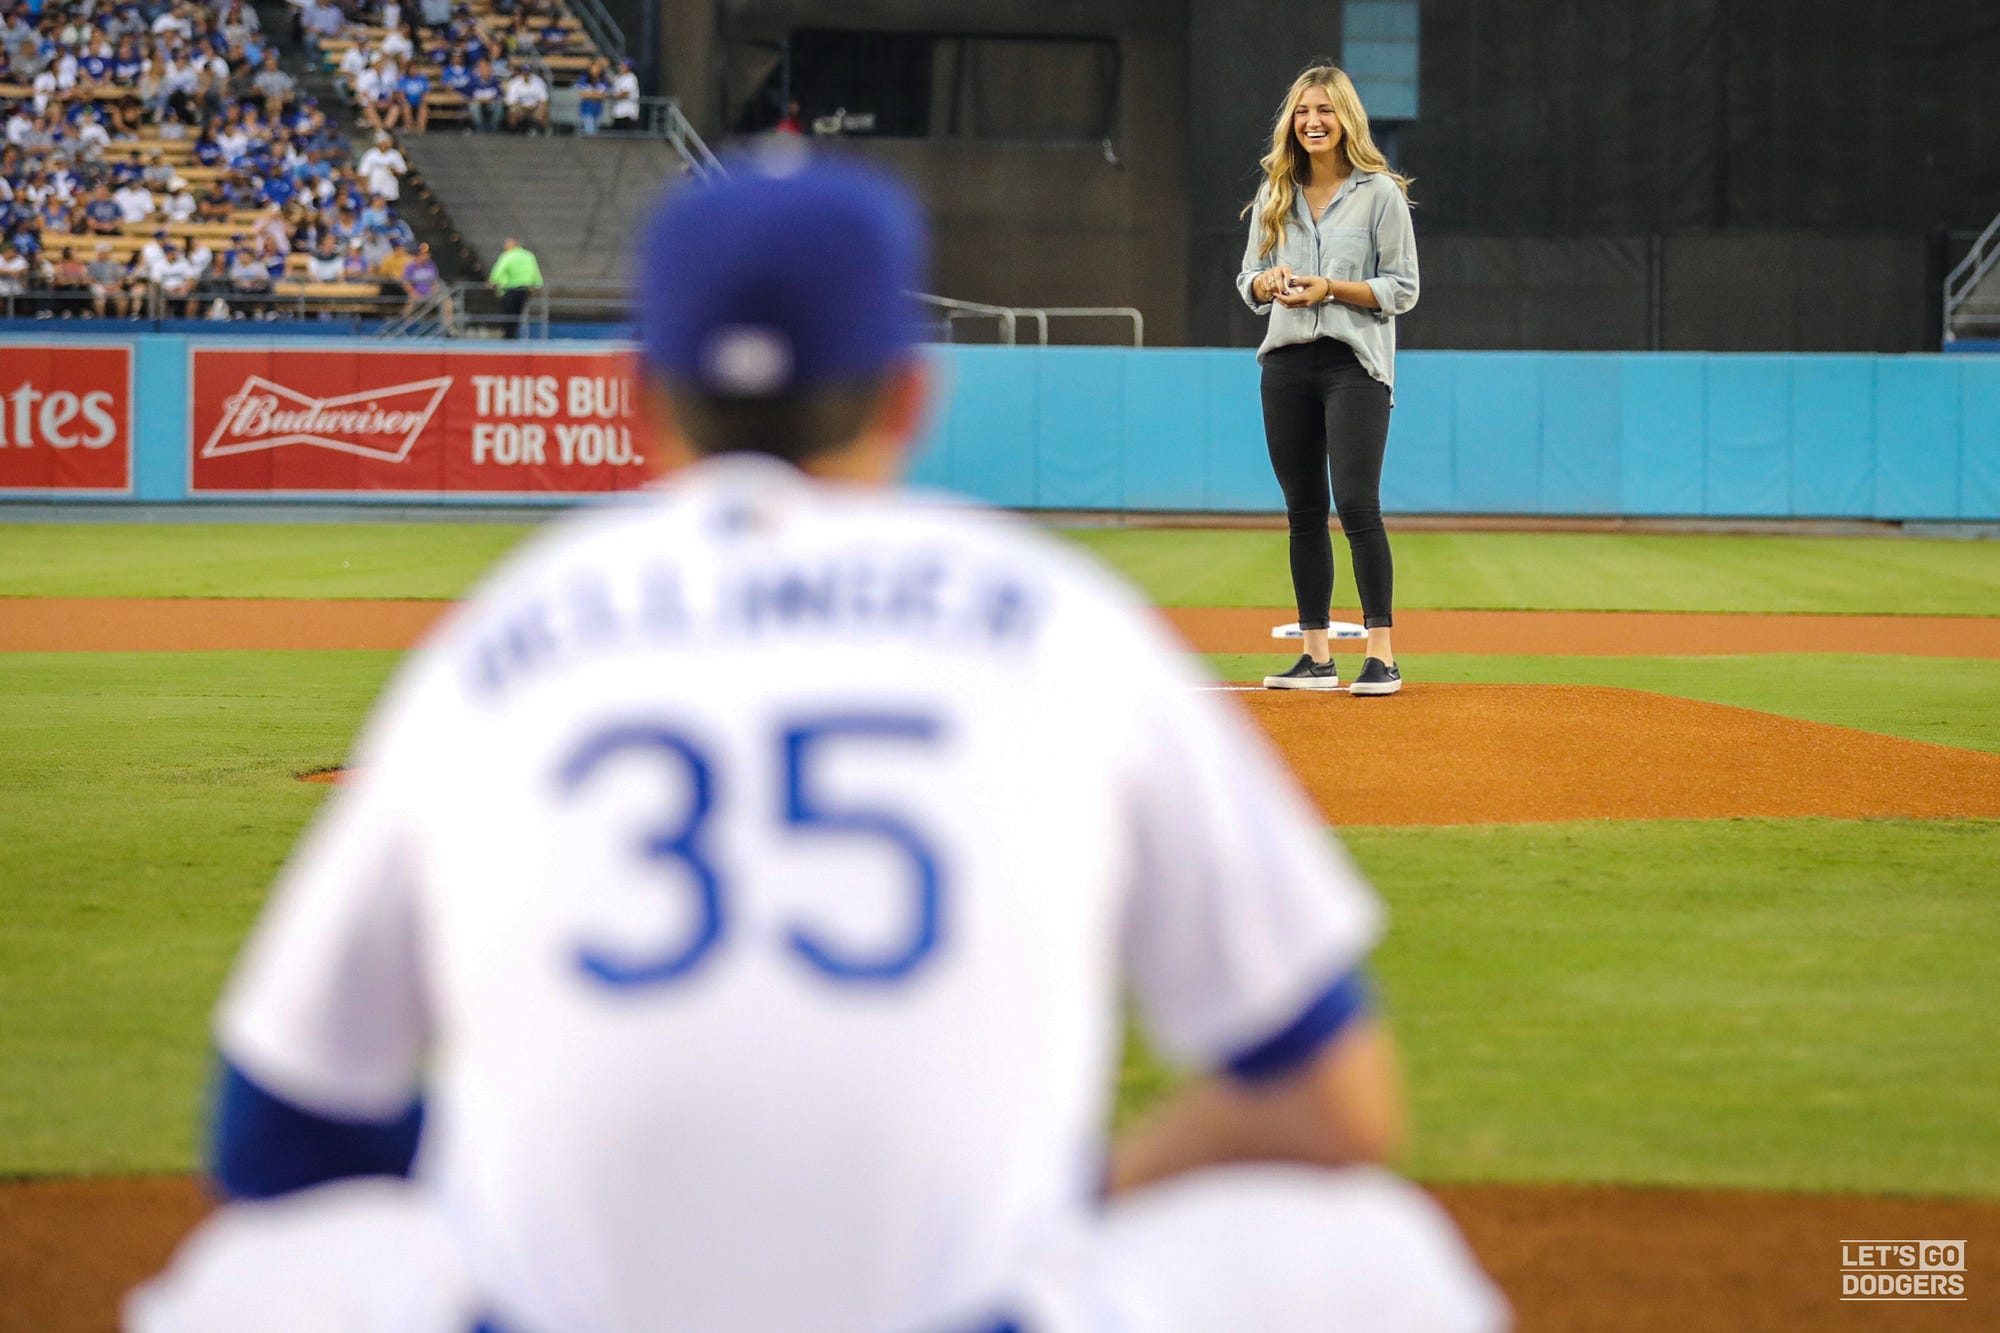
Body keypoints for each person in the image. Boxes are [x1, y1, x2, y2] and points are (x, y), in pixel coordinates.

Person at [124, 152, 1504, 1333]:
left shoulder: (502, 641)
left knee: (259, 1276)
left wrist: (534, 1168)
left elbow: (273, 1140)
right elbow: (1335, 1101)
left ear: (634, 400)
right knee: (1370, 1257)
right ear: (910, 398)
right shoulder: (1060, 622)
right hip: (969, 1301)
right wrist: (1056, 1186)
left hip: (574, 1306)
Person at [1238, 64, 1418, 697]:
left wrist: (1331, 288)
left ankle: (1382, 657)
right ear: (1292, 121)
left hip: (1354, 365)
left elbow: (1403, 288)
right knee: (1303, 511)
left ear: (1347, 119)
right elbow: (1248, 278)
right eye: (1303, 111)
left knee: (1358, 506)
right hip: (1286, 364)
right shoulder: (1275, 191)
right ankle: (1316, 658)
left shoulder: (1380, 194)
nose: (1313, 121)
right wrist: (1264, 284)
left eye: (1326, 110)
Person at [485, 233, 539, 338]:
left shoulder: (507, 255)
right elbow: (535, 271)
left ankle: (508, 335)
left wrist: (492, 281)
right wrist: (536, 285)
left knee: (508, 313)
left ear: (513, 244)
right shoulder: (529, 256)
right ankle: (512, 334)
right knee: (518, 314)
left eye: (507, 243)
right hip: (525, 289)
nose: (505, 245)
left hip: (510, 288)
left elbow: (499, 269)